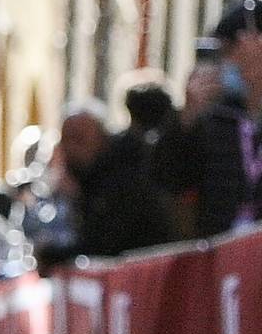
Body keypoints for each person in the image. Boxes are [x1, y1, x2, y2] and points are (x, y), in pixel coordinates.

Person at [154, 0, 262, 238]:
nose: (229, 63)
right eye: (220, 55)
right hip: (216, 252)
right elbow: (166, 180)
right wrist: (186, 118)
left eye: (234, 50)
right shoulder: (211, 120)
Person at [36, 100, 174, 265]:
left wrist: (52, 256)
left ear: (101, 137)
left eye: (79, 139)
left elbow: (106, 244)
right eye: (66, 140)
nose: (71, 148)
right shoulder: (90, 178)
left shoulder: (124, 178)